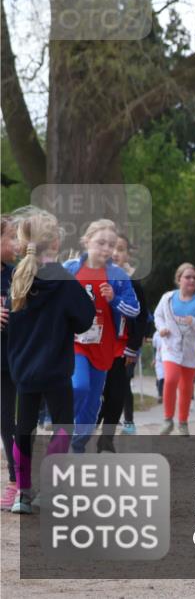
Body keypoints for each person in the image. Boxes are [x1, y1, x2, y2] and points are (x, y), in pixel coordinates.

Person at [6, 208, 94, 514]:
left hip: (23, 368)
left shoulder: (18, 277)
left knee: (24, 428)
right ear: (54, 243)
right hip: (56, 367)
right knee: (62, 425)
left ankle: (23, 494)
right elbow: (84, 319)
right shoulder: (64, 280)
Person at [64, 219, 140, 453]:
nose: (106, 249)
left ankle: (77, 445)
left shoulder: (117, 275)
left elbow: (135, 309)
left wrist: (114, 300)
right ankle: (63, 426)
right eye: (101, 243)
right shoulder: (70, 269)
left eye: (111, 244)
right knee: (79, 387)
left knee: (93, 402)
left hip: (104, 345)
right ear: (87, 241)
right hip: (75, 343)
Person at [95, 232, 148, 450]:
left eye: (121, 249)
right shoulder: (94, 277)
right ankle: (85, 431)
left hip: (121, 349)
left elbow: (142, 316)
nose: (116, 253)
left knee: (116, 395)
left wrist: (133, 347)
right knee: (94, 393)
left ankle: (106, 439)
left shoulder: (132, 284)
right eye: (112, 248)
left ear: (127, 255)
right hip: (94, 347)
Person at [153, 263, 195, 436]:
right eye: (187, 277)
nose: (191, 280)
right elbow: (158, 315)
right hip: (171, 346)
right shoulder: (168, 298)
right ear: (179, 279)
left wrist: (193, 321)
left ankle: (183, 423)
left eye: (194, 278)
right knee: (170, 379)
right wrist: (161, 327)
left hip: (191, 350)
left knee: (186, 387)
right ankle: (167, 420)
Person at [1, 214, 18, 509]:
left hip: (13, 358)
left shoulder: (18, 274)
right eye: (12, 237)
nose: (18, 244)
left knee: (12, 422)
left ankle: (18, 481)